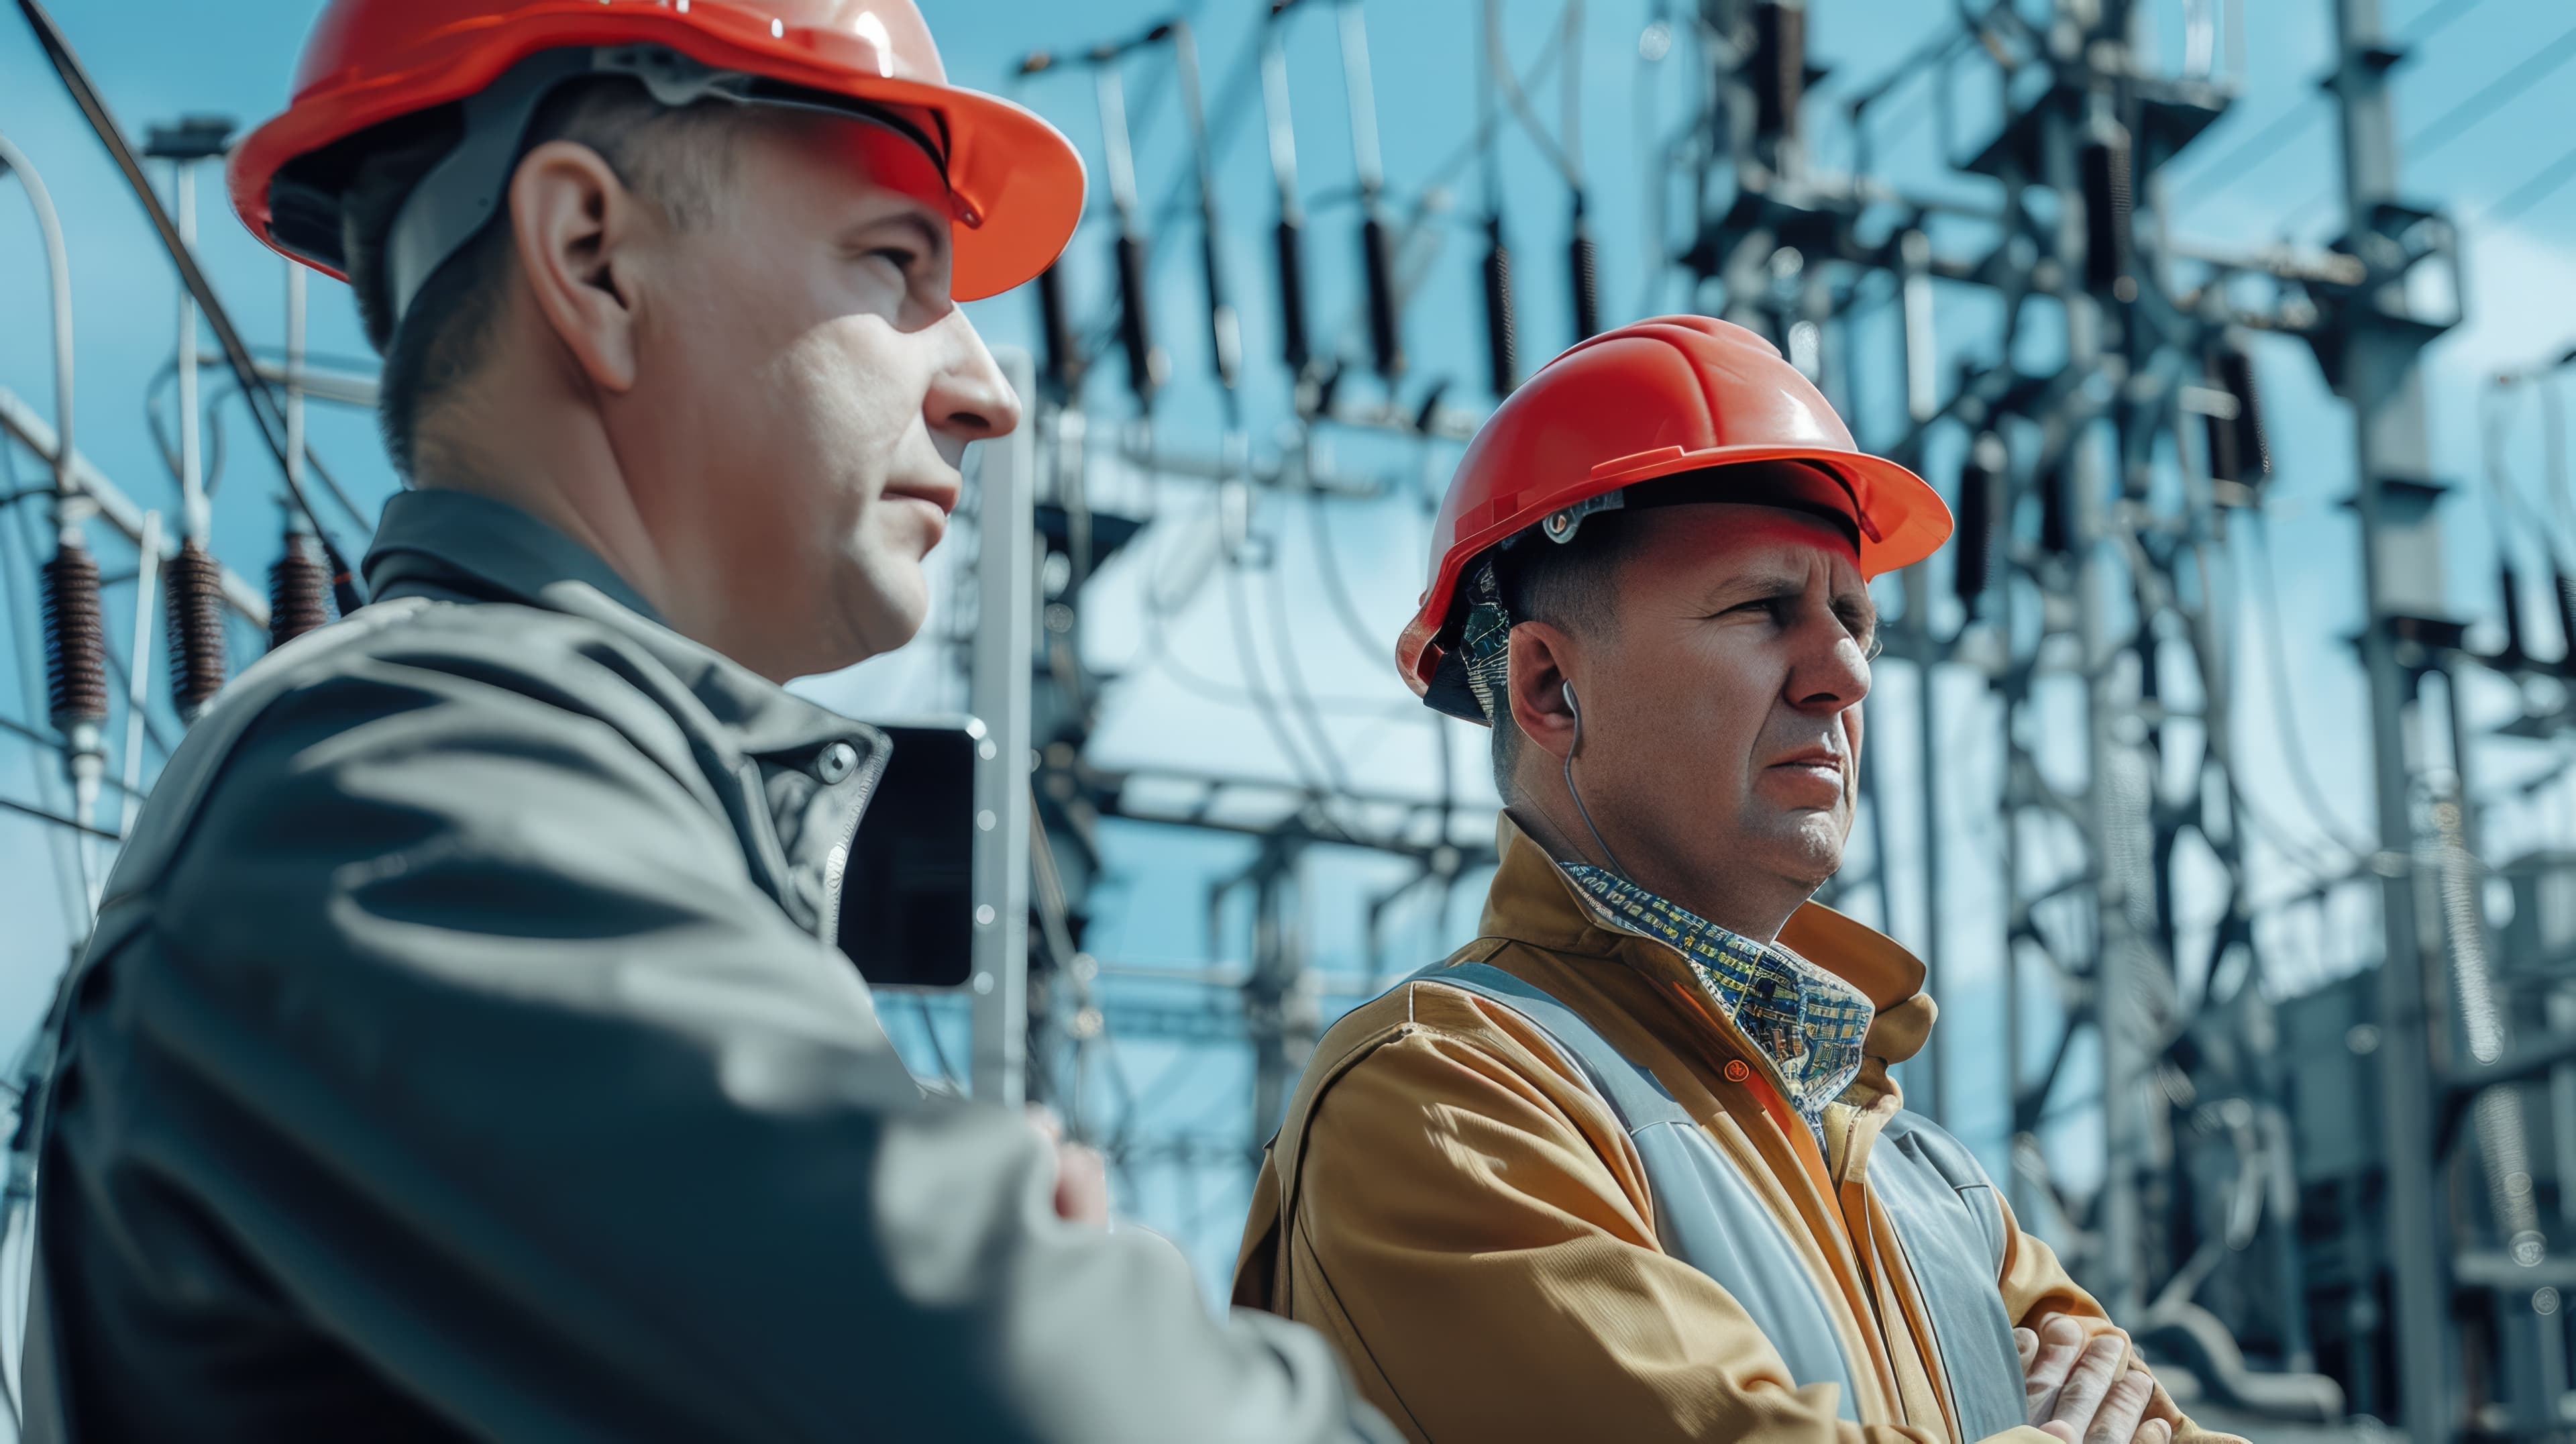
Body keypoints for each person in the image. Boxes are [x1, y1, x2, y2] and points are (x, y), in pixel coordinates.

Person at [20, 3, 1395, 1439]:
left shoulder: (505, 811)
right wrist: (1050, 1301)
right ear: (594, 260)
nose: (986, 392)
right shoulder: (407, 796)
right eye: (894, 263)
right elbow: (1066, 1412)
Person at [1231, 316, 2244, 1444]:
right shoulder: (1441, 1098)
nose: (1846, 672)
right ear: (1550, 688)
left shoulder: (1937, 1190)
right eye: (1762, 609)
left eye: (1853, 619)